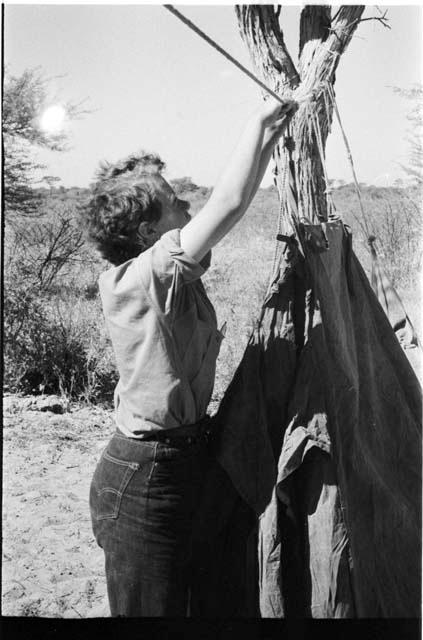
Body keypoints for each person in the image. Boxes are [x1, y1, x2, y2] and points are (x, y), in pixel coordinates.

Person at [84, 96, 297, 617]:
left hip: (184, 463)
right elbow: (226, 205)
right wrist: (255, 123)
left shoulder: (168, 277)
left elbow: (232, 200)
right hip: (144, 479)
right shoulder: (144, 277)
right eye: (172, 200)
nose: (185, 205)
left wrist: (271, 136)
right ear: (145, 233)